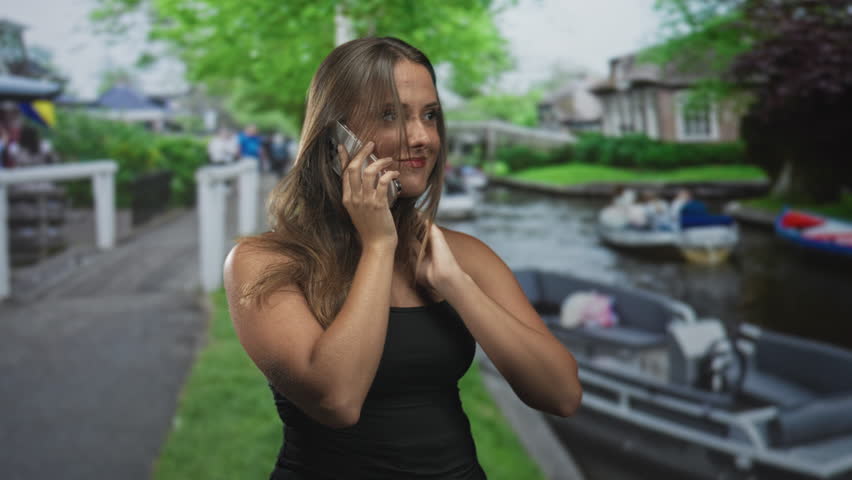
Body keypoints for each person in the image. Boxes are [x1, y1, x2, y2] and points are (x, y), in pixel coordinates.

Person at [224, 37, 582, 480]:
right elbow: (336, 400)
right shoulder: (263, 263)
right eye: (390, 115)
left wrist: (457, 286)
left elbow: (562, 395)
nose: (421, 137)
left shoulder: (462, 255)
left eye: (429, 115)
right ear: (336, 135)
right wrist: (378, 246)